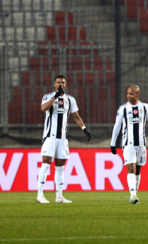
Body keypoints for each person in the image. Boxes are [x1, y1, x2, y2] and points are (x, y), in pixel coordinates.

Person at [36, 75, 91, 204]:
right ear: (54, 84)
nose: (61, 84)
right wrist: (56, 96)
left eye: (63, 82)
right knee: (46, 163)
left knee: (60, 167)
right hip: (50, 136)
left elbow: (76, 116)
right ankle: (40, 194)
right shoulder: (48, 97)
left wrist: (84, 129)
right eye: (58, 82)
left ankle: (59, 196)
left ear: (66, 85)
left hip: (62, 138)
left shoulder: (70, 100)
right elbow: (43, 108)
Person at [110, 85, 148, 204]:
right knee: (131, 168)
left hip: (141, 143)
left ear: (138, 95)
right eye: (127, 93)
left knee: (138, 170)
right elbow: (117, 125)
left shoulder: (144, 107)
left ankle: (134, 194)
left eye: (131, 94)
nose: (128, 95)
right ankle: (133, 195)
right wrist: (113, 143)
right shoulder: (123, 108)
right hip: (128, 143)